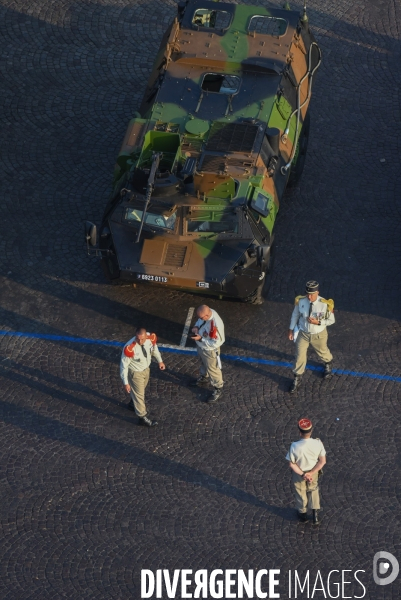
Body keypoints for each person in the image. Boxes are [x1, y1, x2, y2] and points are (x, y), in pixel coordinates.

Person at [288, 280, 335, 393]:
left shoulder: (325, 304)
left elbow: (331, 320)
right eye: (307, 294)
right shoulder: (301, 301)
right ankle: (297, 378)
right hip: (303, 333)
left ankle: (328, 362)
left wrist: (318, 322)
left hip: (319, 334)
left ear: (317, 292)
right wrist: (290, 329)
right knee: (299, 355)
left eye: (312, 294)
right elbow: (295, 315)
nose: (309, 297)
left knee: (322, 351)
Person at [120, 327, 165, 427]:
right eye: (137, 339)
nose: (140, 341)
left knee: (140, 390)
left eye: (142, 339)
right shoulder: (129, 348)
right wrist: (125, 382)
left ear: (145, 336)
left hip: (146, 369)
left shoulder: (150, 338)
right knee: (139, 395)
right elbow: (123, 366)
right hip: (135, 373)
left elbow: (154, 349)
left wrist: (160, 360)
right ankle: (142, 417)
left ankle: (133, 403)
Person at [286, 418, 327, 525]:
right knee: (313, 489)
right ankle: (315, 515)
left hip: (300, 473)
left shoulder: (294, 446)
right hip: (313, 473)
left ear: (300, 432)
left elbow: (291, 464)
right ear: (311, 431)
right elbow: (322, 461)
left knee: (300, 492)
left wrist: (304, 474)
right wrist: (311, 473)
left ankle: (303, 514)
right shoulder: (318, 443)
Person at [189, 304, 225, 403]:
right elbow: (200, 321)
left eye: (201, 317)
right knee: (203, 363)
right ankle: (204, 378)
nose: (199, 319)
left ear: (207, 316)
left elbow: (217, 342)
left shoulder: (216, 325)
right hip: (201, 346)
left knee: (213, 369)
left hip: (210, 350)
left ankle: (218, 388)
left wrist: (201, 339)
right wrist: (196, 326)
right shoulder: (208, 312)